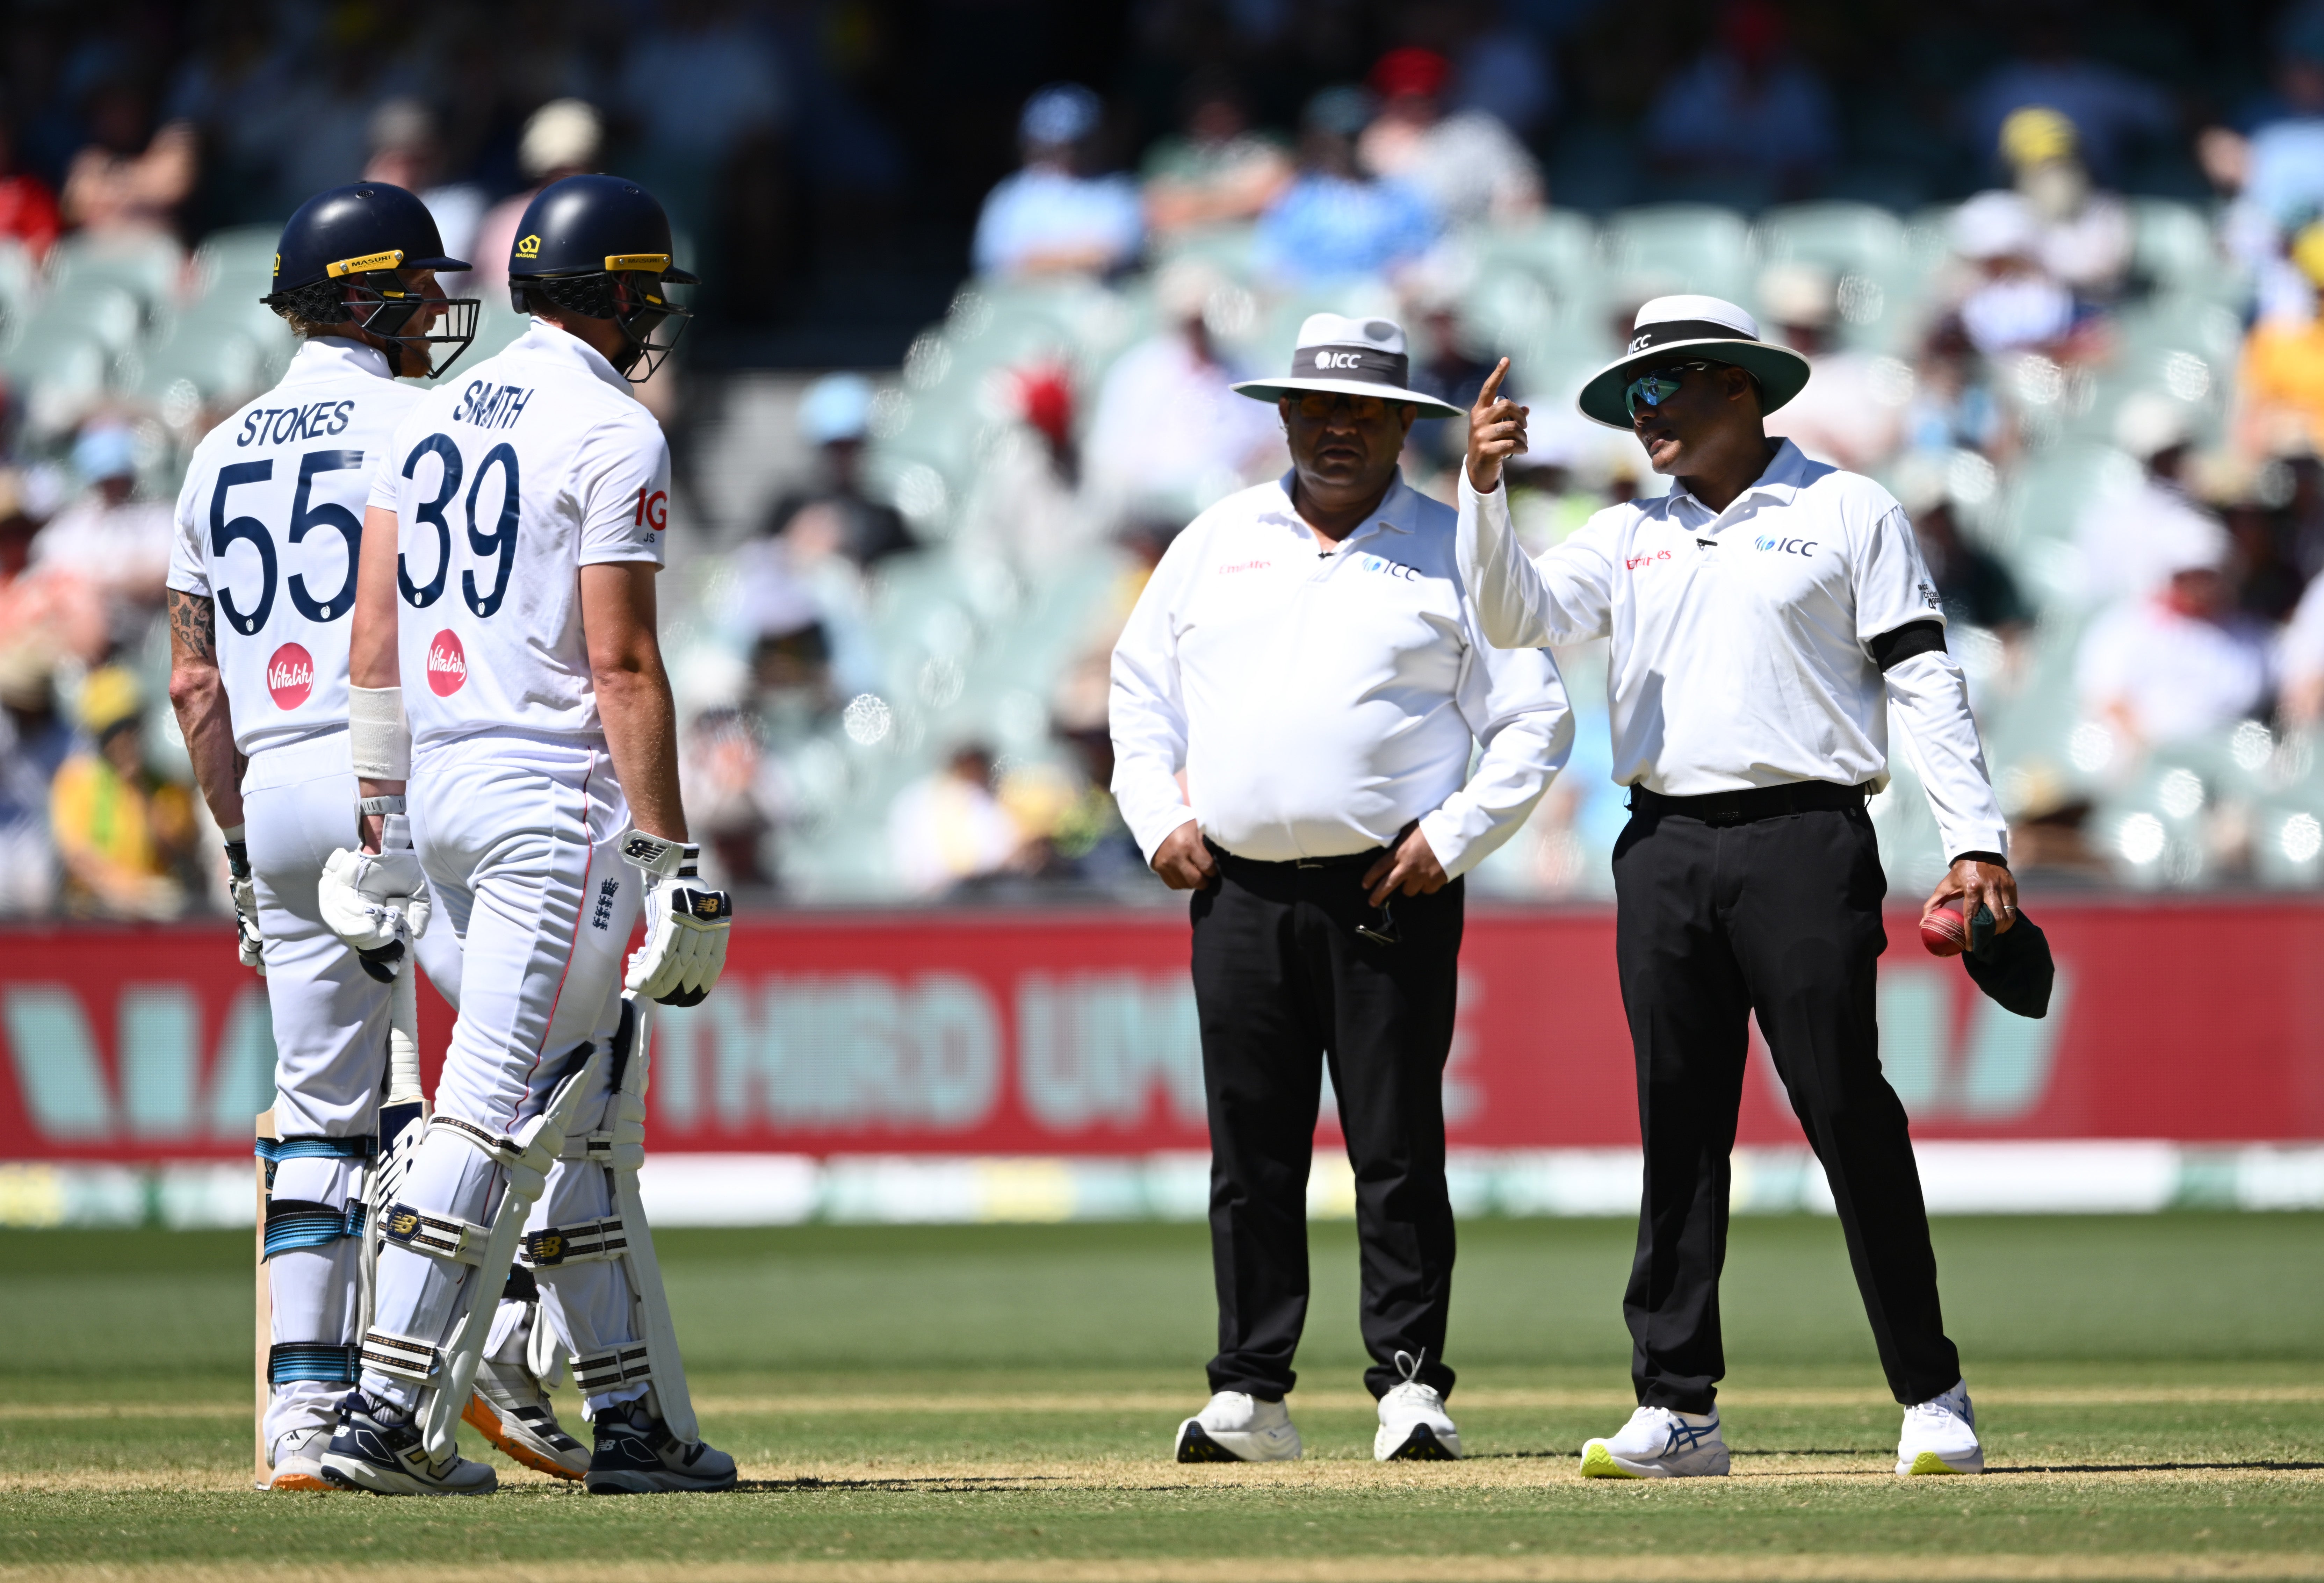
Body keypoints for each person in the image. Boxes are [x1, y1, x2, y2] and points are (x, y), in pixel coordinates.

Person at [1455, 295, 2013, 1480]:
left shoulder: (1846, 508)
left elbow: (1923, 679)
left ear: (1740, 389)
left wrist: (1977, 839)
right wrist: (1485, 493)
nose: (1642, 415)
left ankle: (1932, 1388)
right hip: (1661, 844)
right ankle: (1678, 1404)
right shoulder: (1624, 533)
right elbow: (1515, 616)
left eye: (1663, 390)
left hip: (1806, 835)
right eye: (1632, 396)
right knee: (1680, 1122)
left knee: (1842, 1103)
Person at [324, 173, 738, 1496]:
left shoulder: (428, 409)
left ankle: (631, 1421)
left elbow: (373, 646)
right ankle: (382, 1409)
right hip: (543, 799)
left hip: (439, 783)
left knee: (588, 1108)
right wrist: (674, 859)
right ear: (616, 294)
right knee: (498, 1102)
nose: (648, 322)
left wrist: (381, 820)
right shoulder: (615, 429)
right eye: (643, 298)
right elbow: (622, 662)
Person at [1111, 312, 1573, 1466]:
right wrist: (1158, 816)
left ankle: (1410, 1382)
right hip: (1241, 888)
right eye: (1318, 408)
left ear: (1402, 425)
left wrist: (1454, 836)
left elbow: (1535, 718)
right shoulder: (1217, 538)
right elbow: (1138, 693)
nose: (1336, 430)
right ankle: (1250, 1389)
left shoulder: (1457, 544)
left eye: (1362, 411)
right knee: (1251, 1149)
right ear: (1282, 414)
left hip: (1389, 888)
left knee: (1397, 1145)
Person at [163, 183, 564, 1493]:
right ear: (373, 294)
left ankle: (302, 1412)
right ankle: (492, 1341)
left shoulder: (215, 449)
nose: (443, 309)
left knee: (322, 1117)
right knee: (534, 1070)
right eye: (423, 287)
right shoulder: (429, 417)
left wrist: (236, 841)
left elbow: (192, 682)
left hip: (272, 785)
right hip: (401, 765)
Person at [1083, 259, 1282, 518]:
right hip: (1160, 514)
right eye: (1189, 319)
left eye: (1204, 317)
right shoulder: (1137, 375)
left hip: (1238, 504)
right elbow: (1113, 458)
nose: (1198, 328)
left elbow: (1272, 435)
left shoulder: (1245, 366)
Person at [2077, 513, 2272, 750]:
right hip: (2146, 759)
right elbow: (2108, 703)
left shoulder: (2250, 636)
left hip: (2230, 755)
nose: (2203, 585)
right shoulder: (2124, 628)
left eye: (2210, 575)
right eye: (2192, 575)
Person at [51, 664, 197, 919]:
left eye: (132, 728)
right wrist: (136, 894)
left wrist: (145, 798)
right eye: (114, 733)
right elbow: (78, 858)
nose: (126, 741)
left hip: (154, 925)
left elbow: (182, 847)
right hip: (93, 920)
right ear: (99, 740)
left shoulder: (165, 788)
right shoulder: (78, 781)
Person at [1253, 88, 1437, 286]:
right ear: (1316, 139)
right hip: (1318, 305)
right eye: (1336, 137)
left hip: (1384, 303)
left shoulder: (1401, 193)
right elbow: (1273, 265)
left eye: (1353, 136)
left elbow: (1430, 253)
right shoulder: (1299, 198)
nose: (1345, 146)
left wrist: (1410, 276)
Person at [1355, 47, 1542, 228]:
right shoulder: (1369, 143)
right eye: (1399, 99)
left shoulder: (1474, 134)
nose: (1411, 108)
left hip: (1470, 248)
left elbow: (1522, 193)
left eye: (1422, 98)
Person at [973, 84, 1143, 280]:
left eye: (1077, 145)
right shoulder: (1011, 194)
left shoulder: (1118, 190)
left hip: (1092, 301)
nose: (1066, 155)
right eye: (1050, 145)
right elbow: (995, 261)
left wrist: (1039, 259)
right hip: (1021, 301)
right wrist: (1077, 257)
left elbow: (1116, 254)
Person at [34, 425, 177, 655]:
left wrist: (108, 586)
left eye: (118, 477)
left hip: (148, 635)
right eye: (105, 479)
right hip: (86, 637)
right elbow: (51, 576)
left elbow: (171, 576)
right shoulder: (72, 526)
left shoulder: (157, 517)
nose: (113, 486)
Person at [1141, 71, 1294, 237]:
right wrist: (1243, 198)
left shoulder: (1271, 142)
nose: (1217, 113)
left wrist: (1193, 203)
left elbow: (1276, 200)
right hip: (1188, 252)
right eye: (1206, 106)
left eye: (1226, 103)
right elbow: (1162, 215)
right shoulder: (1168, 152)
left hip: (1258, 252)